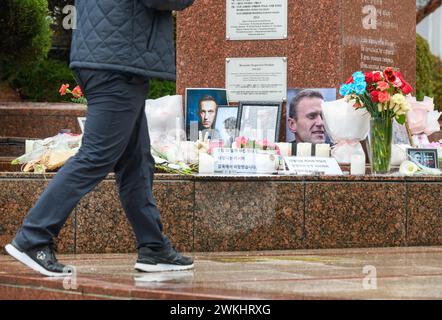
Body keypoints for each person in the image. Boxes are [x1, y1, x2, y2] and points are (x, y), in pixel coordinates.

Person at [5, 0, 195, 277]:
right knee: (95, 157)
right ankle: (32, 238)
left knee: (136, 161)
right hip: (117, 64)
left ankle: (153, 247)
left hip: (111, 57)